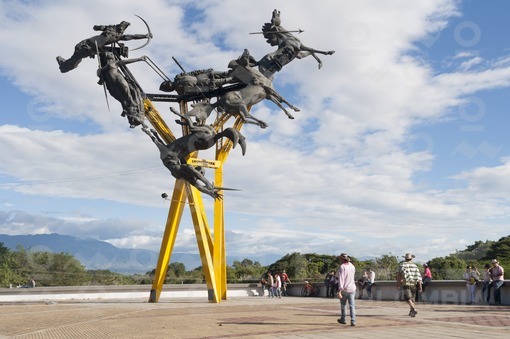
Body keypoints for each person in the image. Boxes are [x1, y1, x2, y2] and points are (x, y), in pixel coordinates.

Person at [56, 20, 151, 73]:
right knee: (75, 60)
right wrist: (101, 27)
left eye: (123, 29)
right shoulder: (110, 29)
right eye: (121, 27)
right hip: (86, 44)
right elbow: (95, 27)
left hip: (93, 48)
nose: (122, 30)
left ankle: (63, 64)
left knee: (75, 61)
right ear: (119, 26)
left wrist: (145, 36)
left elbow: (132, 36)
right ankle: (62, 63)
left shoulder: (118, 36)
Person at [336, 253, 356, 326]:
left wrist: (339, 290)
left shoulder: (342, 267)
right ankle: (353, 320)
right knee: (352, 305)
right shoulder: (352, 266)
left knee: (343, 305)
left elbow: (341, 279)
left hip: (344, 289)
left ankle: (343, 319)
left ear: (342, 259)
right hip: (352, 288)